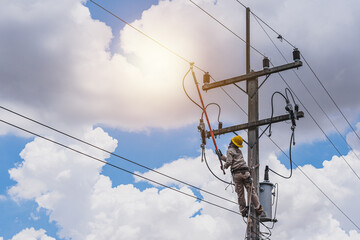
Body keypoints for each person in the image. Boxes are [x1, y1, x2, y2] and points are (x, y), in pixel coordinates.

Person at [219, 135, 264, 217]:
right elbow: (232, 160)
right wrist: (222, 157)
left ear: (232, 142)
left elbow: (229, 162)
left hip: (237, 174)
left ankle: (243, 210)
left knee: (240, 194)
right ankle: (258, 208)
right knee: (251, 191)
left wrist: (224, 167)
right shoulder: (239, 151)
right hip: (245, 173)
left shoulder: (229, 150)